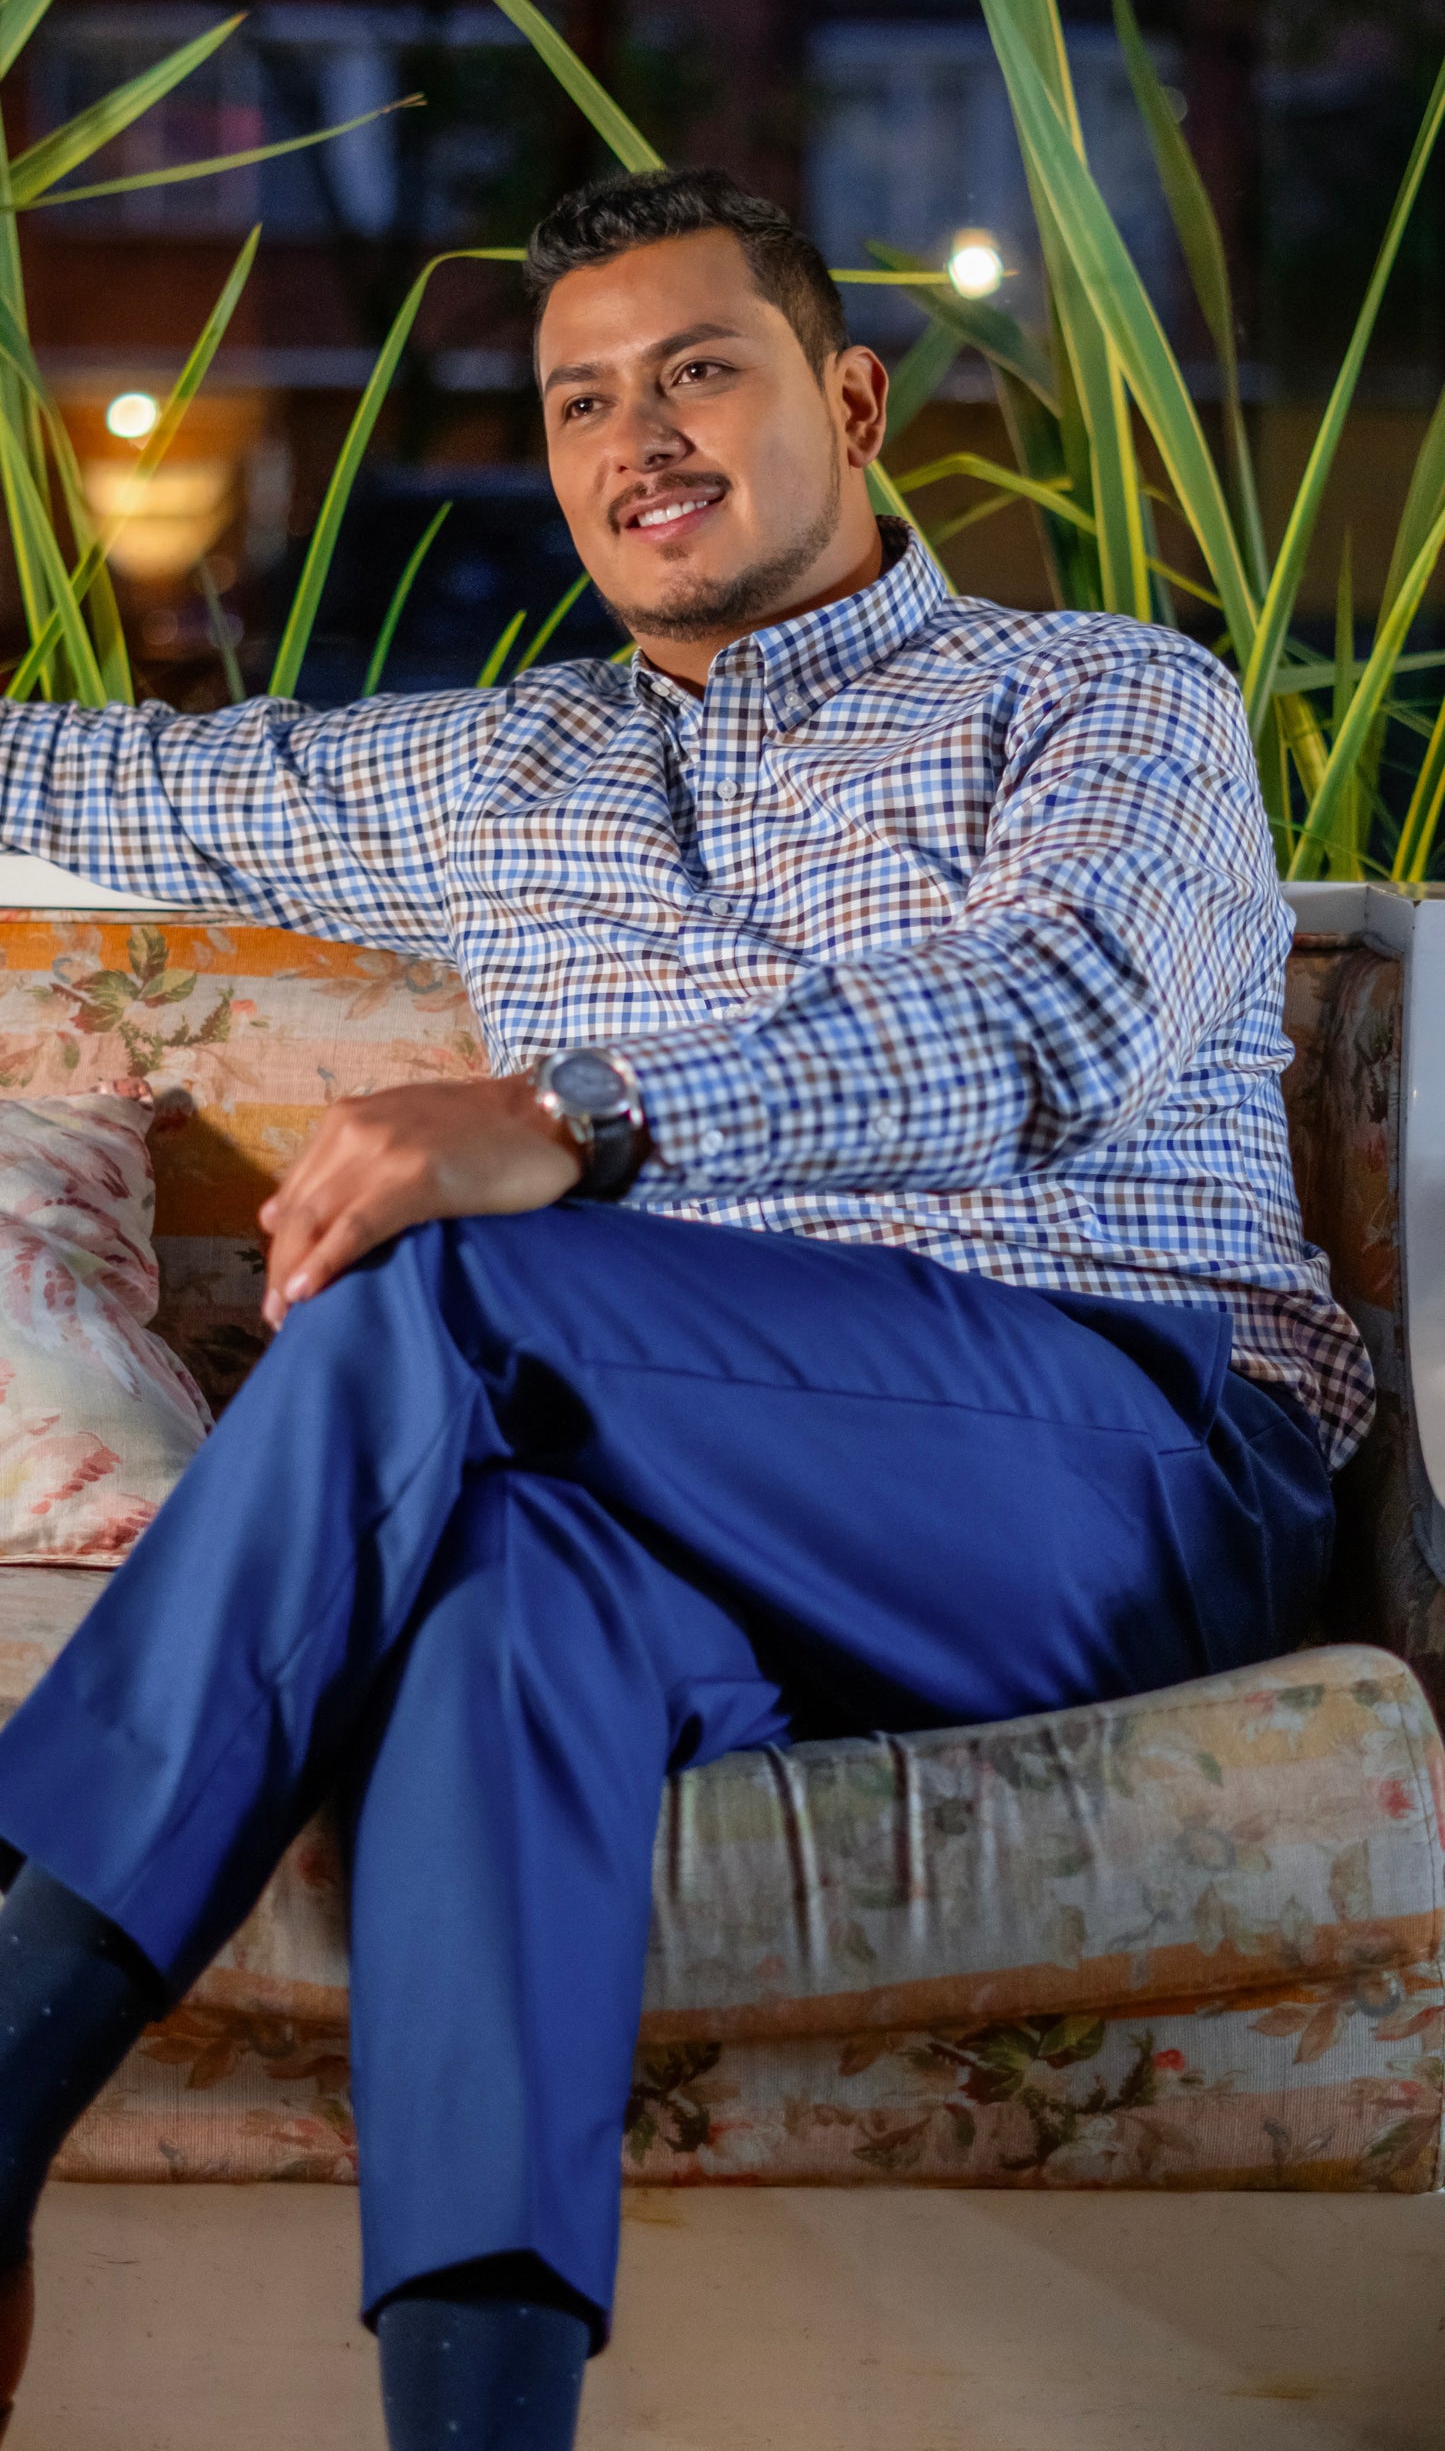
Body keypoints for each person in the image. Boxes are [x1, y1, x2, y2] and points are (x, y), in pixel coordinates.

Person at [0, 167, 1367, 2450]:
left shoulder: (1103, 698)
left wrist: (582, 1114)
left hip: (1108, 1450)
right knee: (498, 1630)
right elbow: (90, 777)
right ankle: (479, 2417)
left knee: (457, 1293)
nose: (636, 436)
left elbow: (1059, 1017)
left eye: (698, 371)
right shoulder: (493, 768)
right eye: (578, 401)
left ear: (851, 401)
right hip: (677, 1504)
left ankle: (13, 2049)